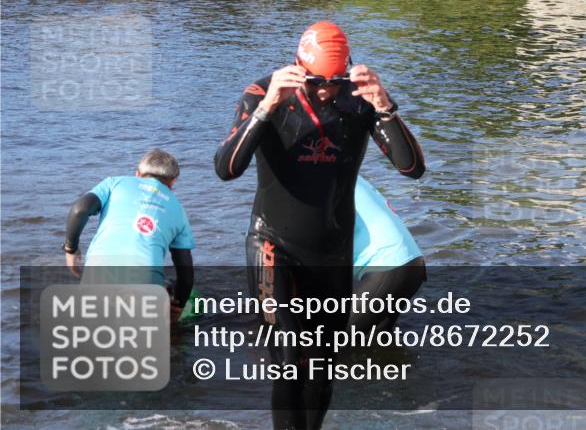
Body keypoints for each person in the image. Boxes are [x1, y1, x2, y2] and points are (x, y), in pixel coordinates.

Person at [214, 21, 424, 430]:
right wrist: (265, 109)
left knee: (324, 366)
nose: (326, 90)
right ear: (297, 66)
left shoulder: (360, 100)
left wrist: (385, 106)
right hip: (273, 244)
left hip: (331, 252)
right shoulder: (263, 92)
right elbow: (226, 168)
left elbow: (411, 167)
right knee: (289, 359)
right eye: (315, 81)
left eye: (334, 80)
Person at [63, 149, 195, 320]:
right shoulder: (179, 211)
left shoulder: (114, 183)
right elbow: (186, 275)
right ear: (172, 182)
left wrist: (71, 249)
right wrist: (178, 306)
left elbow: (80, 210)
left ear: (138, 174)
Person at [350, 176, 425, 332]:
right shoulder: (342, 169)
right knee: (375, 344)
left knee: (323, 340)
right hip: (408, 263)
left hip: (387, 268)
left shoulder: (313, 181)